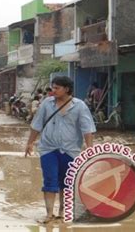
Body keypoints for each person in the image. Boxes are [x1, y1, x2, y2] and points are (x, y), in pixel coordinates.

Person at [25, 76, 96, 224]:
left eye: (57, 88)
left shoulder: (80, 106)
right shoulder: (46, 104)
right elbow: (36, 124)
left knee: (67, 182)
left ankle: (63, 212)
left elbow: (87, 129)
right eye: (53, 87)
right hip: (48, 149)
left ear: (67, 89)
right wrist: (30, 143)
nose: (53, 90)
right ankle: (49, 214)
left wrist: (90, 150)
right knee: (50, 180)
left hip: (71, 151)